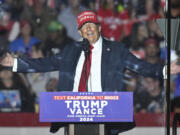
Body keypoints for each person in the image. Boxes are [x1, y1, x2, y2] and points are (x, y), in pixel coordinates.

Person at [0, 10, 164, 135]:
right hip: (73, 113)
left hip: (107, 115)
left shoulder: (116, 50)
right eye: (84, 26)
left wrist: (165, 69)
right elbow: (46, 63)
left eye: (92, 25)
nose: (89, 29)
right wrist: (15, 62)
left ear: (99, 28)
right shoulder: (71, 50)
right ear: (79, 32)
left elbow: (141, 66)